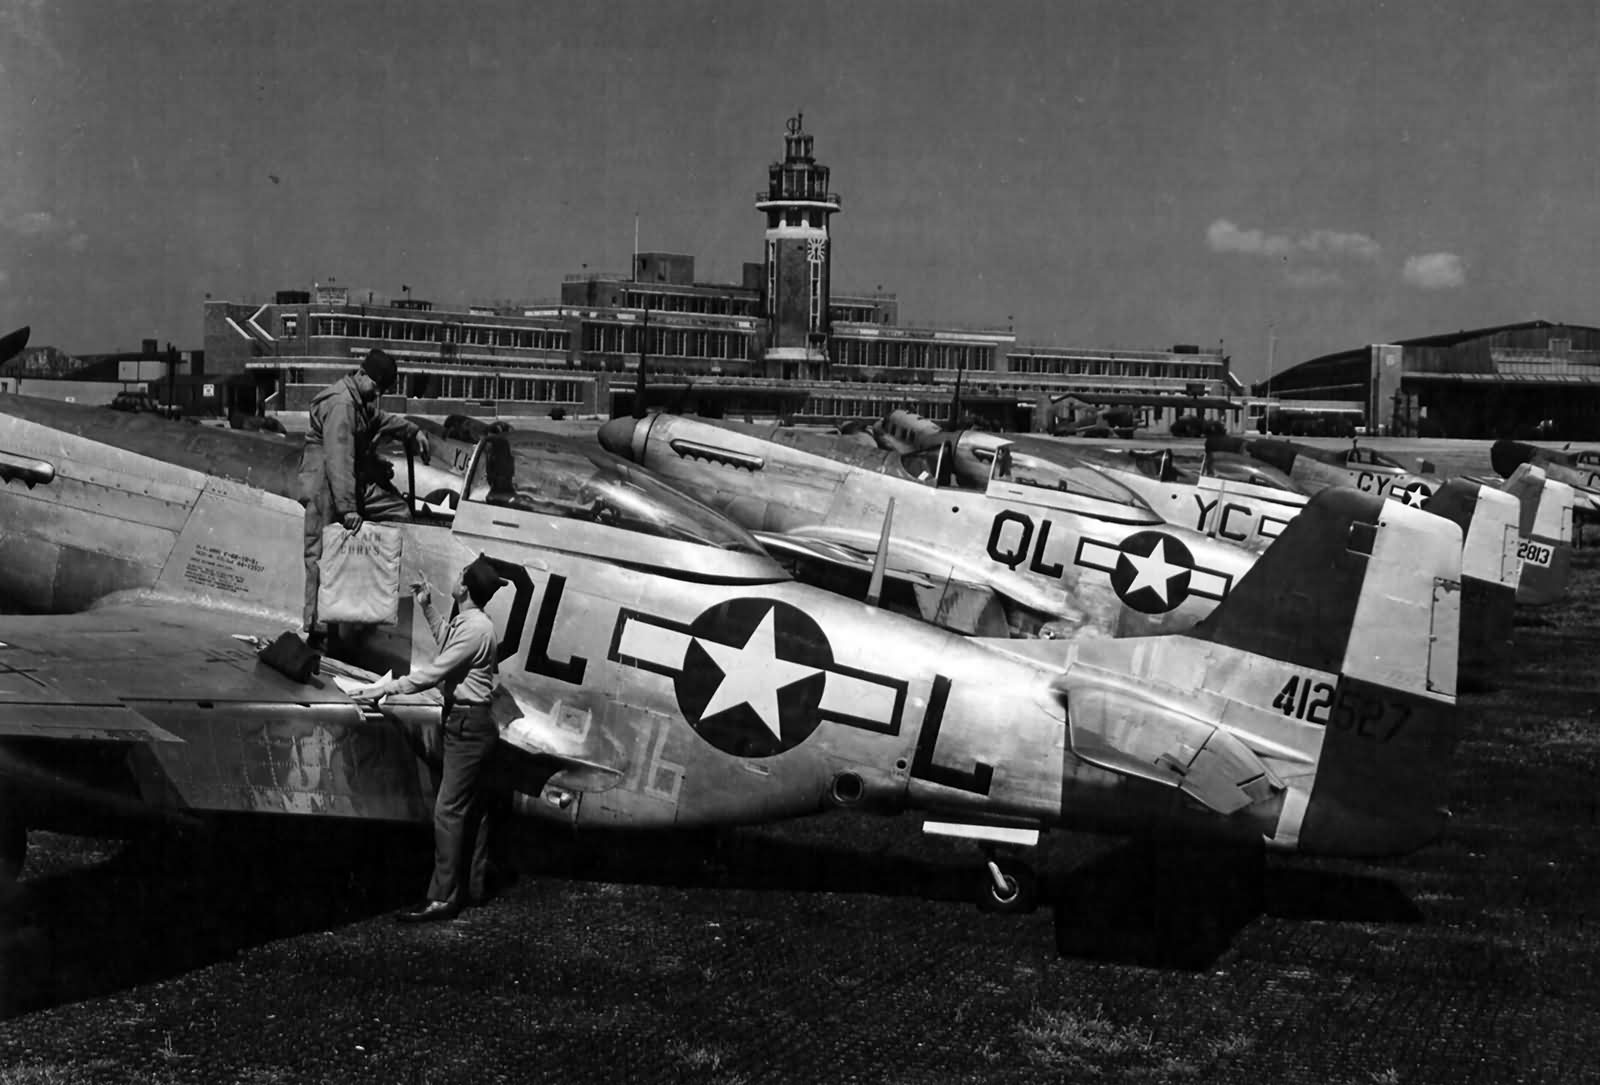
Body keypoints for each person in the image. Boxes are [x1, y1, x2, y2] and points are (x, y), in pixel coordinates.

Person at [350, 555, 506, 923]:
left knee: (448, 810)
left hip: (467, 726)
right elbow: (449, 646)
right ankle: (474, 887)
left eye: (460, 575)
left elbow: (434, 673)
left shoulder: (475, 629)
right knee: (474, 811)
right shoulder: (473, 624)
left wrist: (384, 689)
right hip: (475, 723)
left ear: (464, 588)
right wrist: (427, 607)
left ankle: (443, 897)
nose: (455, 578)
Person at [298, 348, 431, 642]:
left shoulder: (358, 400)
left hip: (342, 483)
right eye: (377, 386)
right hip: (325, 485)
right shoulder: (342, 404)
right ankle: (316, 632)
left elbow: (379, 419)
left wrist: (413, 431)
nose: (378, 394)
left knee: (398, 511)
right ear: (361, 374)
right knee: (320, 555)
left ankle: (358, 612)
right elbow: (339, 458)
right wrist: (348, 509)